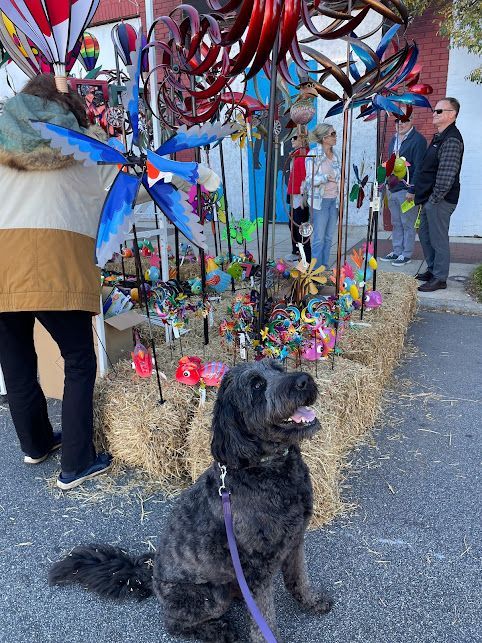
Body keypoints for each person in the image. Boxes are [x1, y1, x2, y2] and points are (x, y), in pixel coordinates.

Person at [0, 74, 219, 490]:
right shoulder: (87, 150)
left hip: (1, 262)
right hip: (55, 260)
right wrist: (174, 178)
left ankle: (36, 444)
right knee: (79, 359)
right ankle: (76, 463)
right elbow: (128, 187)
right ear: (70, 111)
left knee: (16, 359)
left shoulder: (2, 142)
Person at [414, 97, 464, 292]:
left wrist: (433, 201)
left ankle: (440, 278)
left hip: (440, 200)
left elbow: (446, 176)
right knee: (425, 235)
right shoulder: (440, 136)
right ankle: (433, 270)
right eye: (435, 110)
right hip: (430, 198)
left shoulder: (451, 139)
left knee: (438, 238)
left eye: (439, 111)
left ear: (452, 115)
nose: (434, 114)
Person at [380, 115, 427, 266]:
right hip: (392, 188)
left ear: (412, 120)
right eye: (398, 121)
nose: (400, 123)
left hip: (407, 190)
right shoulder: (394, 139)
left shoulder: (418, 140)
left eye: (405, 120)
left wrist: (413, 189)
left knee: (408, 223)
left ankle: (406, 254)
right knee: (396, 222)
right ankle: (396, 251)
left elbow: (419, 167)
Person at [303, 123, 340, 269]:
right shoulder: (313, 154)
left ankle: (324, 266)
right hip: (320, 202)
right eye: (333, 134)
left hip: (334, 201)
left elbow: (339, 177)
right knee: (318, 238)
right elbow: (309, 180)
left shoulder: (336, 155)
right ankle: (315, 269)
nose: (336, 136)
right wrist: (325, 177)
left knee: (329, 237)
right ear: (324, 138)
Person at [286, 132, 311, 263]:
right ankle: (296, 250)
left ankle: (305, 255)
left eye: (295, 138)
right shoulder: (296, 156)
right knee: (292, 224)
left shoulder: (306, 156)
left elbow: (306, 177)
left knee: (300, 225)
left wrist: (304, 196)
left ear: (302, 140)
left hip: (301, 195)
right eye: (292, 138)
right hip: (294, 194)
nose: (292, 140)